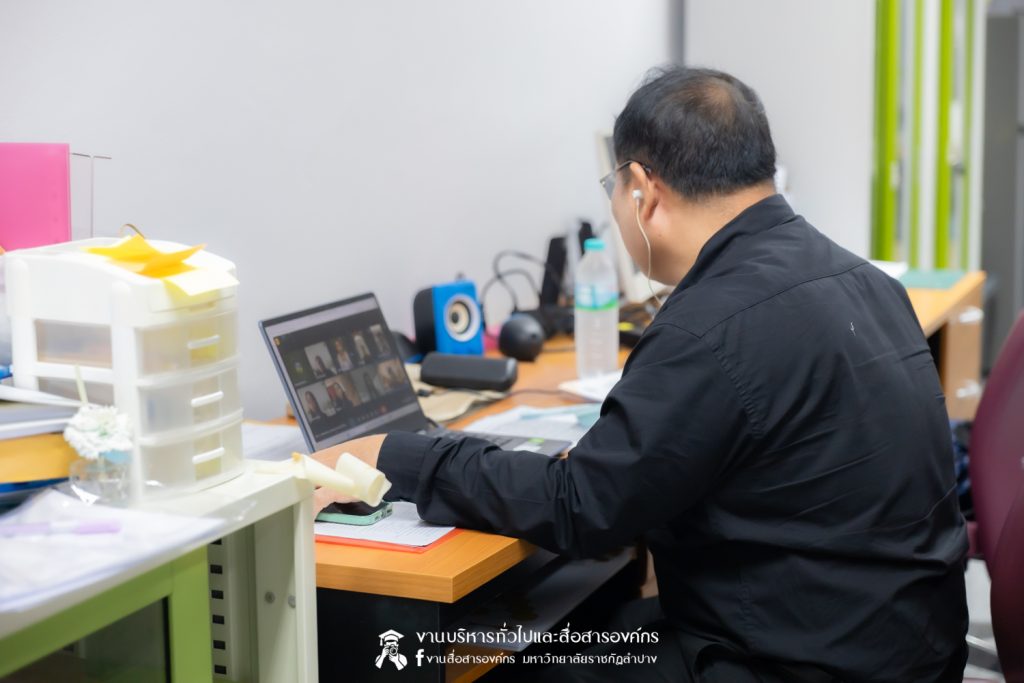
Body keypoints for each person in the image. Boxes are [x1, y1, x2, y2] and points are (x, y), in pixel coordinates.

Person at [312, 67, 968, 682]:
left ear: (641, 189)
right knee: (583, 615)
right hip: (902, 644)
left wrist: (397, 457)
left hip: (792, 660)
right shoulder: (862, 279)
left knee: (505, 661)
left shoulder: (710, 325)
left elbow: (580, 508)